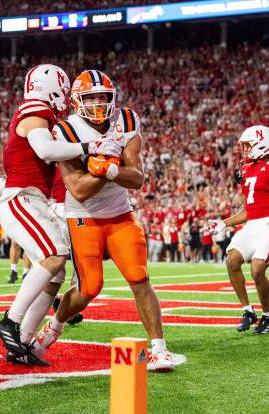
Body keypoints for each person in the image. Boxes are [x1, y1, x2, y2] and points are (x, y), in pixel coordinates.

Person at [32, 70, 176, 371]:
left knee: (139, 277)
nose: (98, 103)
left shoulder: (126, 121)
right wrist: (104, 165)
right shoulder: (66, 131)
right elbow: (79, 190)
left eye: (103, 97)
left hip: (121, 212)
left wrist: (108, 170)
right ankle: (52, 329)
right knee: (90, 286)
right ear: (76, 101)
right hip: (84, 216)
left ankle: (160, 348)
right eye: (90, 97)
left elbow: (136, 178)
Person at [0, 64, 121, 365]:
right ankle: (10, 321)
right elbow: (46, 151)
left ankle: (21, 342)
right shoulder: (35, 107)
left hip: (36, 199)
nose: (65, 96)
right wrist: (90, 145)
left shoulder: (49, 118)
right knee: (54, 256)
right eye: (64, 89)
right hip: (20, 196)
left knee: (56, 273)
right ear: (53, 86)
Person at [209, 125, 269, 335]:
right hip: (253, 224)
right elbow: (248, 210)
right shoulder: (246, 169)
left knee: (257, 270)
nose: (244, 150)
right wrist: (224, 222)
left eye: (247, 145)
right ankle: (247, 311)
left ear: (263, 144)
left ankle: (268, 315)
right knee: (232, 259)